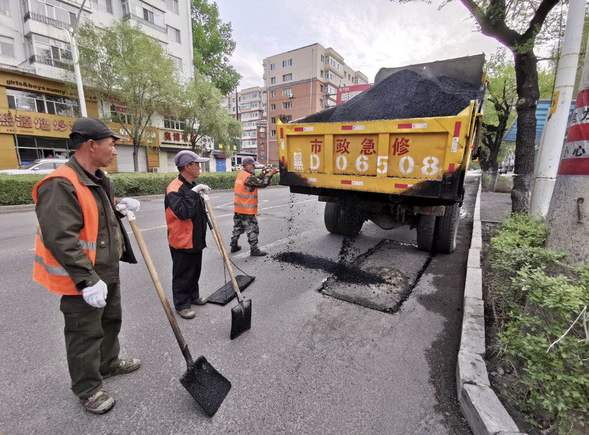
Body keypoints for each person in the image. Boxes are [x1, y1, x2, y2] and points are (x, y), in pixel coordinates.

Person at [33, 117, 141, 415]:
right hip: (81, 278)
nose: (115, 151)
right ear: (91, 145)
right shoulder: (59, 184)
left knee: (110, 322)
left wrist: (117, 206)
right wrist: (86, 280)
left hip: (106, 270)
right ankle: (88, 388)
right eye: (111, 145)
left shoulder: (97, 177)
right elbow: (61, 238)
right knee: (84, 334)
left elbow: (95, 217)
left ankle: (108, 364)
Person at [164, 150, 211, 320]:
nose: (200, 167)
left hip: (195, 238)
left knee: (195, 269)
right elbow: (183, 213)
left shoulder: (191, 185)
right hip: (181, 240)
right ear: (186, 166)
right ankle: (182, 304)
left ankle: (193, 296)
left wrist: (202, 198)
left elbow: (197, 212)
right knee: (183, 273)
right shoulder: (174, 188)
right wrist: (194, 193)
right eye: (197, 164)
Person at [230, 157, 278, 256]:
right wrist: (270, 174)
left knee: (237, 227)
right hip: (247, 209)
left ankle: (234, 245)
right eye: (253, 165)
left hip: (239, 208)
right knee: (253, 229)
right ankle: (254, 250)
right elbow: (262, 183)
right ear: (247, 165)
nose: (254, 166)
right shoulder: (248, 177)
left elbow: (255, 180)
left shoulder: (242, 174)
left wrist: (264, 173)